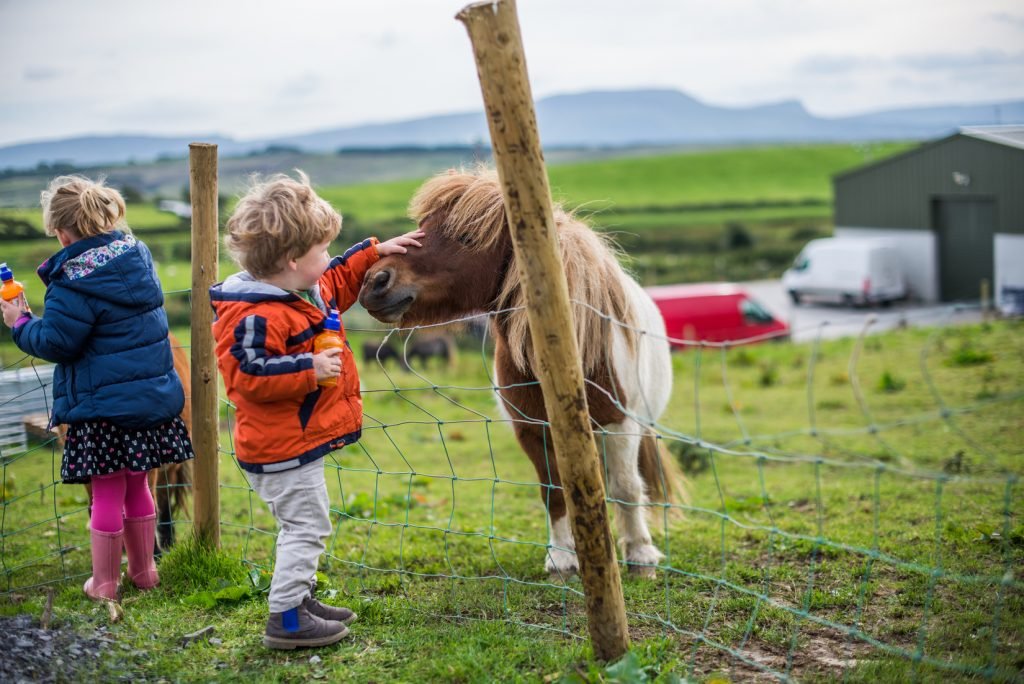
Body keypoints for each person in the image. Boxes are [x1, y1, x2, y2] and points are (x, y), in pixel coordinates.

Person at [210, 172, 422, 650]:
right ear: (291, 261)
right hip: (280, 447)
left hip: (294, 441)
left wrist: (375, 251)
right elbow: (245, 375)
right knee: (306, 526)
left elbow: (337, 279)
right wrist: (309, 367)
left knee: (307, 522)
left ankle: (299, 600)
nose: (328, 258)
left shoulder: (300, 289)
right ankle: (286, 618)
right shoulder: (255, 314)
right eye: (321, 250)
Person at [0, 175, 194, 602]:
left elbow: (56, 343)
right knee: (140, 486)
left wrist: (20, 323)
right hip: (148, 405)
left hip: (100, 411)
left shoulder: (72, 282)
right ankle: (145, 573)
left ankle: (105, 582)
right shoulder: (138, 261)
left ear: (61, 231)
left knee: (106, 493)